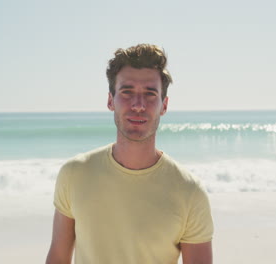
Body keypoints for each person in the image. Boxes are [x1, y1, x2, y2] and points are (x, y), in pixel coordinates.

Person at [45, 44, 213, 264]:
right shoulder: (74, 174)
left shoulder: (189, 192)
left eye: (150, 94)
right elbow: (58, 257)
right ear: (110, 100)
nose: (138, 105)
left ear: (164, 105)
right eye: (127, 92)